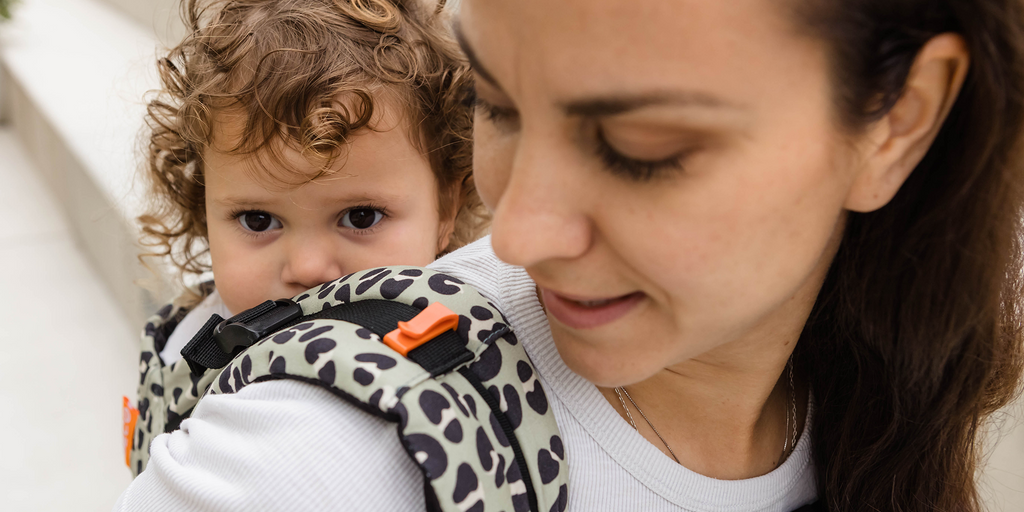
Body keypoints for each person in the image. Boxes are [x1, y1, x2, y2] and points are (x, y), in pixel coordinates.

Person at [117, 0, 1024, 511]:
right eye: (497, 104)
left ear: (899, 122)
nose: (514, 237)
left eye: (639, 147)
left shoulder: (888, 379)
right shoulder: (327, 455)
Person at [123, 0, 486, 477]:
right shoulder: (194, 331)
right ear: (203, 203)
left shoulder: (453, 354)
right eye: (257, 221)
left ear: (447, 207)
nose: (310, 269)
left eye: (360, 216)